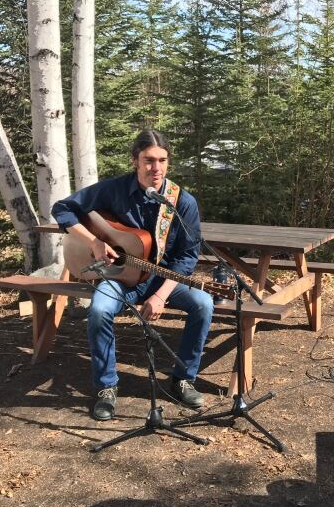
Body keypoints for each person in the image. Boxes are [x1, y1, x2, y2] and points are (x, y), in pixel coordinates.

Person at [51, 129, 214, 421]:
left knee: (203, 303)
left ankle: (182, 379)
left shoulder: (182, 202)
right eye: (149, 160)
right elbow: (62, 208)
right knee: (100, 311)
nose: (157, 168)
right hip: (119, 277)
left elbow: (187, 257)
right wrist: (94, 242)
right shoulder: (113, 190)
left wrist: (160, 295)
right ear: (135, 162)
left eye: (162, 160)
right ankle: (106, 388)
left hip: (162, 279)